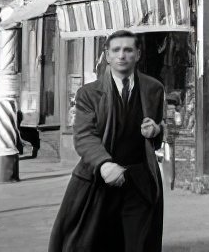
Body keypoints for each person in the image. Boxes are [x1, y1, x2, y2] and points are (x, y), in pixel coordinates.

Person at [48, 29, 165, 252]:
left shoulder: (154, 89)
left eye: (128, 50)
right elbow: (84, 135)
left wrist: (156, 131)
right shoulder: (88, 94)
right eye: (116, 50)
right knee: (93, 243)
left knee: (138, 244)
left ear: (138, 54)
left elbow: (157, 136)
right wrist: (104, 164)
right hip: (98, 181)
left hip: (139, 183)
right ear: (107, 55)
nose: (122, 55)